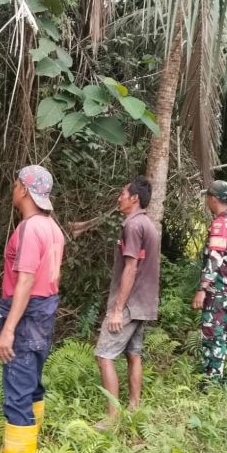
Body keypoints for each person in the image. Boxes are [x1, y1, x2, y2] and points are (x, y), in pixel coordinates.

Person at [0, 165, 65, 453]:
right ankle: (28, 449)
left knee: (18, 388)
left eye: (14, 183)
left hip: (27, 313)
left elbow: (25, 281)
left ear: (23, 188)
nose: (12, 188)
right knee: (31, 382)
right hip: (44, 312)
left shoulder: (31, 229)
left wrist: (8, 330)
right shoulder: (52, 227)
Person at [94, 176, 160, 429]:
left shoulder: (132, 226)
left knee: (104, 355)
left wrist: (118, 310)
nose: (119, 197)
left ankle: (112, 417)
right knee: (134, 355)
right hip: (144, 303)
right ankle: (134, 407)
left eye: (122, 193)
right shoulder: (147, 225)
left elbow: (131, 268)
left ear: (134, 198)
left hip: (130, 305)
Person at [191, 180, 227, 384]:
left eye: (208, 197)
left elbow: (214, 258)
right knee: (226, 332)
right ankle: (226, 378)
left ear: (213, 199)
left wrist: (202, 288)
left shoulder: (221, 224)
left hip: (218, 290)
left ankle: (211, 381)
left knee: (213, 333)